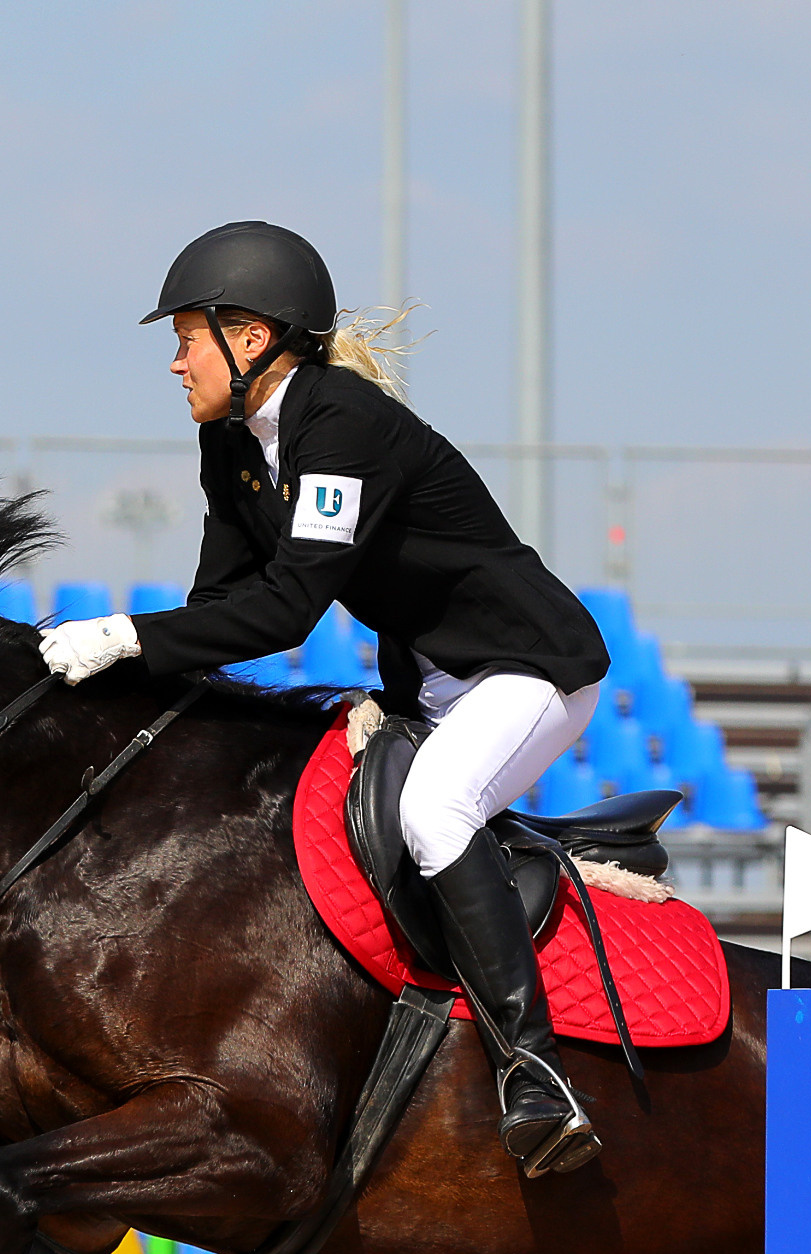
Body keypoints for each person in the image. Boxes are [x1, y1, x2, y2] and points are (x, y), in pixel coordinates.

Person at [38, 220, 613, 1178]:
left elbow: (289, 607)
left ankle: (537, 1071)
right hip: (430, 682)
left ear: (249, 338)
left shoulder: (340, 423)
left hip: (528, 667)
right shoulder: (235, 447)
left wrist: (125, 635)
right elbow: (221, 605)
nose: (176, 364)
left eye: (187, 338)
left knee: (436, 806)